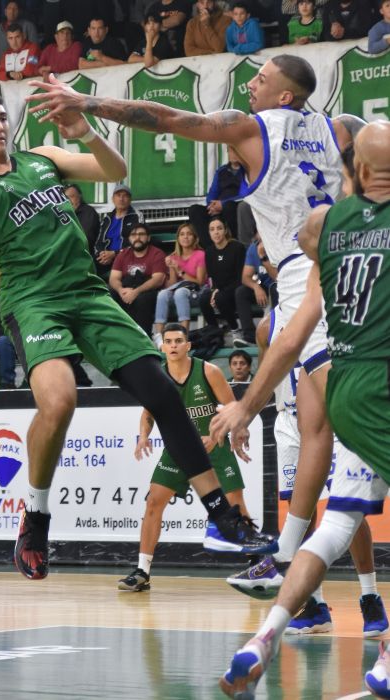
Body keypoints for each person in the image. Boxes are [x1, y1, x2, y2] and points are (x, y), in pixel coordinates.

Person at [0, 87, 276, 582]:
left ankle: (222, 517)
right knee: (60, 401)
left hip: (87, 292)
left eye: (2, 116)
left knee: (163, 393)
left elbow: (113, 170)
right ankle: (36, 515)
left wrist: (86, 131)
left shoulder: (41, 158)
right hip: (34, 301)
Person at [27, 55, 362, 593]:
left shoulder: (251, 127)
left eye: (262, 78)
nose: (251, 83)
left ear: (283, 96)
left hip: (307, 274)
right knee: (318, 424)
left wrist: (87, 102)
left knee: (342, 424)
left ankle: (296, 565)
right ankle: (283, 560)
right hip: (351, 266)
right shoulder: (340, 126)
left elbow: (167, 118)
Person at [211, 121, 390, 698]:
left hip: (347, 390)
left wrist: (246, 405)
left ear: (356, 171)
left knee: (336, 523)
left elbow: (288, 339)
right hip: (384, 380)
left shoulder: (325, 231)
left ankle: (264, 633)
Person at [226, 311, 388, 637]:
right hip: (289, 421)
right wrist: (246, 417)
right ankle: (314, 606)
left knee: (347, 509)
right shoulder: (266, 328)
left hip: (330, 417)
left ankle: (370, 596)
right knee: (301, 512)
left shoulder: (330, 310)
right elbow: (268, 376)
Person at [118, 324, 250, 592]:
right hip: (178, 447)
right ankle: (142, 571)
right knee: (154, 501)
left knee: (235, 506)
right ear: (162, 347)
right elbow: (148, 413)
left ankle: (258, 563)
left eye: (179, 340)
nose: (174, 345)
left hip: (215, 446)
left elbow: (232, 409)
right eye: (168, 341)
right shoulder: (157, 375)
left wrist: (216, 435)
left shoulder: (209, 371)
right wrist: (143, 437)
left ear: (188, 345)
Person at [152, 221, 206, 346]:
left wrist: (180, 271)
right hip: (178, 292)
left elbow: (200, 282)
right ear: (178, 238)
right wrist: (170, 267)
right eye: (182, 234)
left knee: (180, 293)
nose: (185, 237)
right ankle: (159, 336)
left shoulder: (200, 255)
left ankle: (183, 335)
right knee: (163, 294)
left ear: (194, 238)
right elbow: (172, 284)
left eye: (189, 234)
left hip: (196, 293)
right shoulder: (174, 256)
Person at [109, 224, 167, 336]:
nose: (137, 238)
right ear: (129, 238)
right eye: (133, 235)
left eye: (141, 234)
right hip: (126, 290)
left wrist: (136, 292)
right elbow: (113, 278)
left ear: (148, 238)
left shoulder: (157, 254)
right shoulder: (123, 254)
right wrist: (121, 290)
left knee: (141, 299)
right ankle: (114, 336)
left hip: (147, 291)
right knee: (110, 294)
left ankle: (143, 338)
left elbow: (158, 280)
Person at [198, 217, 246, 338]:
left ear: (225, 230)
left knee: (220, 297)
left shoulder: (237, 247)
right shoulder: (209, 252)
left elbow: (240, 277)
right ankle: (214, 331)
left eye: (219, 228)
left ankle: (235, 329)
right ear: (209, 233)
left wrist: (218, 291)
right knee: (203, 298)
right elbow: (211, 278)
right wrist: (214, 290)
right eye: (212, 229)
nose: (216, 232)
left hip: (236, 287)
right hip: (219, 290)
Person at [188, 147, 245, 248]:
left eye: (235, 150)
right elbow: (212, 192)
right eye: (230, 151)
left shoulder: (247, 170)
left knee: (229, 206)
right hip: (218, 207)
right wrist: (212, 206)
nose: (233, 154)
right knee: (194, 210)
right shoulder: (221, 171)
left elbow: (246, 194)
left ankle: (232, 246)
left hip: (235, 206)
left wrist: (222, 204)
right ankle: (210, 248)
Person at [233, 234, 277, 346]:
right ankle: (250, 337)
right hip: (265, 287)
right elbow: (245, 277)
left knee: (274, 289)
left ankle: (271, 336)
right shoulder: (254, 248)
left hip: (280, 286)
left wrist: (263, 257)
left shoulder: (277, 245)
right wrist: (256, 287)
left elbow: (278, 277)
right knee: (241, 292)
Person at [94, 184, 143, 279]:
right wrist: (102, 255)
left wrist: (114, 254)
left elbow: (139, 242)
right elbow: (98, 241)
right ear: (113, 199)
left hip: (127, 259)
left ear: (130, 199)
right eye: (118, 195)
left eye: (125, 196)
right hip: (106, 260)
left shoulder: (137, 216)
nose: (121, 199)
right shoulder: (107, 218)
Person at [0, 0, 38, 80]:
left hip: (27, 83)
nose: (14, 42)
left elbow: (32, 67)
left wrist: (18, 75)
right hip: (7, 84)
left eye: (17, 37)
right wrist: (9, 75)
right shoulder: (6, 54)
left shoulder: (32, 47)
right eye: (11, 38)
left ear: (23, 36)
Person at [64, 184, 99, 253]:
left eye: (72, 196)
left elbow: (87, 237)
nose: (69, 200)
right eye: (66, 198)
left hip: (83, 254)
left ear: (79, 196)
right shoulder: (63, 212)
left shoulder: (89, 212)